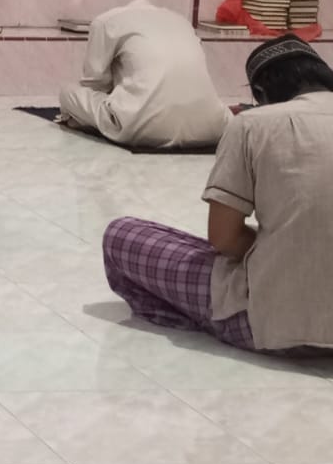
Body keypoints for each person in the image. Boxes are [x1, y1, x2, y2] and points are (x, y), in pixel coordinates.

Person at [102, 35, 333, 352]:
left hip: (270, 323)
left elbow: (224, 238)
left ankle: (199, 319)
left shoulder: (252, 124)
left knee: (122, 234)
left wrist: (287, 248)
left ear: (261, 92)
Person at [59, 0, 228, 149]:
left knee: (67, 92)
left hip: (140, 125)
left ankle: (79, 120)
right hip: (212, 128)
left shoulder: (106, 21)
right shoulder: (182, 21)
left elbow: (94, 84)